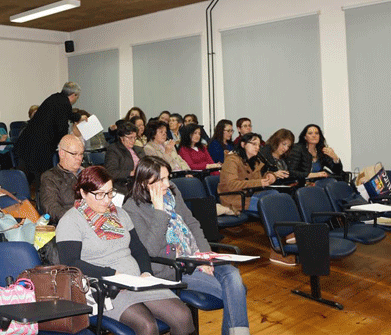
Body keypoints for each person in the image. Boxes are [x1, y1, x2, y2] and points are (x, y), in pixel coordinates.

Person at [56, 165, 194, 335]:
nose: (106, 200)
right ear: (83, 193)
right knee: (147, 325)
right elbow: (70, 263)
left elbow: (139, 249)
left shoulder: (120, 214)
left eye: (109, 193)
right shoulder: (70, 221)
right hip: (104, 287)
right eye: (100, 194)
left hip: (136, 281)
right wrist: (112, 274)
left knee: (182, 315)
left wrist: (146, 272)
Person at [124, 156, 250, 335]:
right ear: (145, 183)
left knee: (232, 274)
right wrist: (159, 211)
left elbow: (191, 223)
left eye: (168, 177)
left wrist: (205, 256)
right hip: (175, 267)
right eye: (161, 180)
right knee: (236, 292)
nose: (167, 184)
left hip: (195, 256)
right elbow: (149, 250)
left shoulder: (172, 191)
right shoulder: (132, 208)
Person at [14, 82, 82, 185]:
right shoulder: (64, 104)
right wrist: (67, 144)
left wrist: (79, 117)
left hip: (28, 143)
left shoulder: (55, 98)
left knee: (25, 178)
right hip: (40, 146)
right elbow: (62, 128)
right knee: (41, 177)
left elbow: (67, 114)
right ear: (73, 95)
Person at [218, 133, 276, 215]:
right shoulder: (231, 161)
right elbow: (231, 185)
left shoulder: (255, 161)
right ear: (243, 144)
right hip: (235, 198)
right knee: (269, 205)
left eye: (259, 145)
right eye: (254, 144)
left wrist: (270, 176)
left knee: (275, 195)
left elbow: (256, 180)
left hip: (250, 195)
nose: (257, 147)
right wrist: (259, 182)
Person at [39, 135, 83, 222]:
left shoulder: (87, 173)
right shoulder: (50, 177)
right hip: (69, 222)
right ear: (62, 153)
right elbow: (51, 209)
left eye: (81, 154)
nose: (79, 158)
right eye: (74, 154)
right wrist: (78, 219)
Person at [104, 121, 145, 191]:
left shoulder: (138, 149)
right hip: (124, 186)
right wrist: (131, 173)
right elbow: (111, 172)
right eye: (130, 137)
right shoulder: (114, 149)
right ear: (121, 137)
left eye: (135, 137)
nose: (133, 140)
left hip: (140, 183)